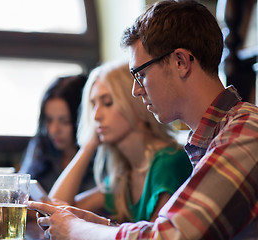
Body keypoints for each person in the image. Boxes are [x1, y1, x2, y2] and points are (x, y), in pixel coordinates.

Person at [28, 0, 258, 239]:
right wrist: (103, 228)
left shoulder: (247, 129)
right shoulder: (213, 139)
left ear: (181, 62)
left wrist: (76, 229)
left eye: (141, 74)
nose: (135, 91)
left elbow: (169, 236)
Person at [48, 61, 192, 223]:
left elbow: (154, 235)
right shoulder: (126, 173)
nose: (96, 116)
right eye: (94, 105)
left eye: (107, 103)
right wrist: (88, 147)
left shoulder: (169, 161)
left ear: (136, 103)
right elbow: (54, 210)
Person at [19, 74, 95, 193]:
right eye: (49, 120)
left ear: (82, 120)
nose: (53, 130)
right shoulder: (41, 146)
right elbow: (20, 192)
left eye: (65, 121)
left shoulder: (98, 156)